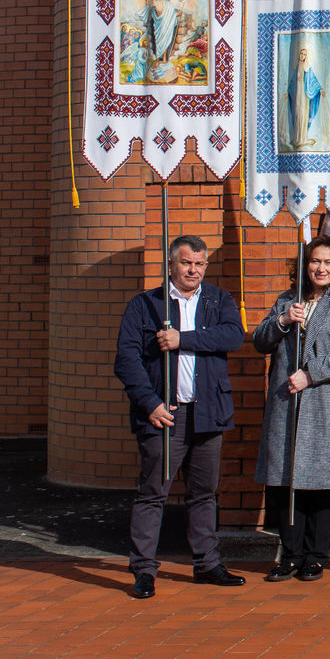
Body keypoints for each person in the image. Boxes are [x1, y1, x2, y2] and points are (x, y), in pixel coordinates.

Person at [114, 235, 248, 598]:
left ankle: (206, 563)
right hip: (165, 415)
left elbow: (233, 337)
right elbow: (127, 361)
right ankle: (143, 569)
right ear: (171, 264)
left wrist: (182, 339)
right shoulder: (146, 305)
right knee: (153, 493)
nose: (194, 270)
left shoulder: (218, 300)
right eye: (187, 262)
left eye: (200, 263)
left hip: (208, 412)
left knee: (204, 493)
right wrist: (150, 403)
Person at [253, 235, 330, 583]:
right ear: (305, 265)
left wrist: (310, 374)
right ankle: (290, 553)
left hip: (326, 402)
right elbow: (260, 340)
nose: (321, 268)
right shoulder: (289, 300)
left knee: (320, 480)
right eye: (315, 261)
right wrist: (283, 320)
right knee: (285, 480)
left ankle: (315, 555)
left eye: (328, 263)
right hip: (288, 404)